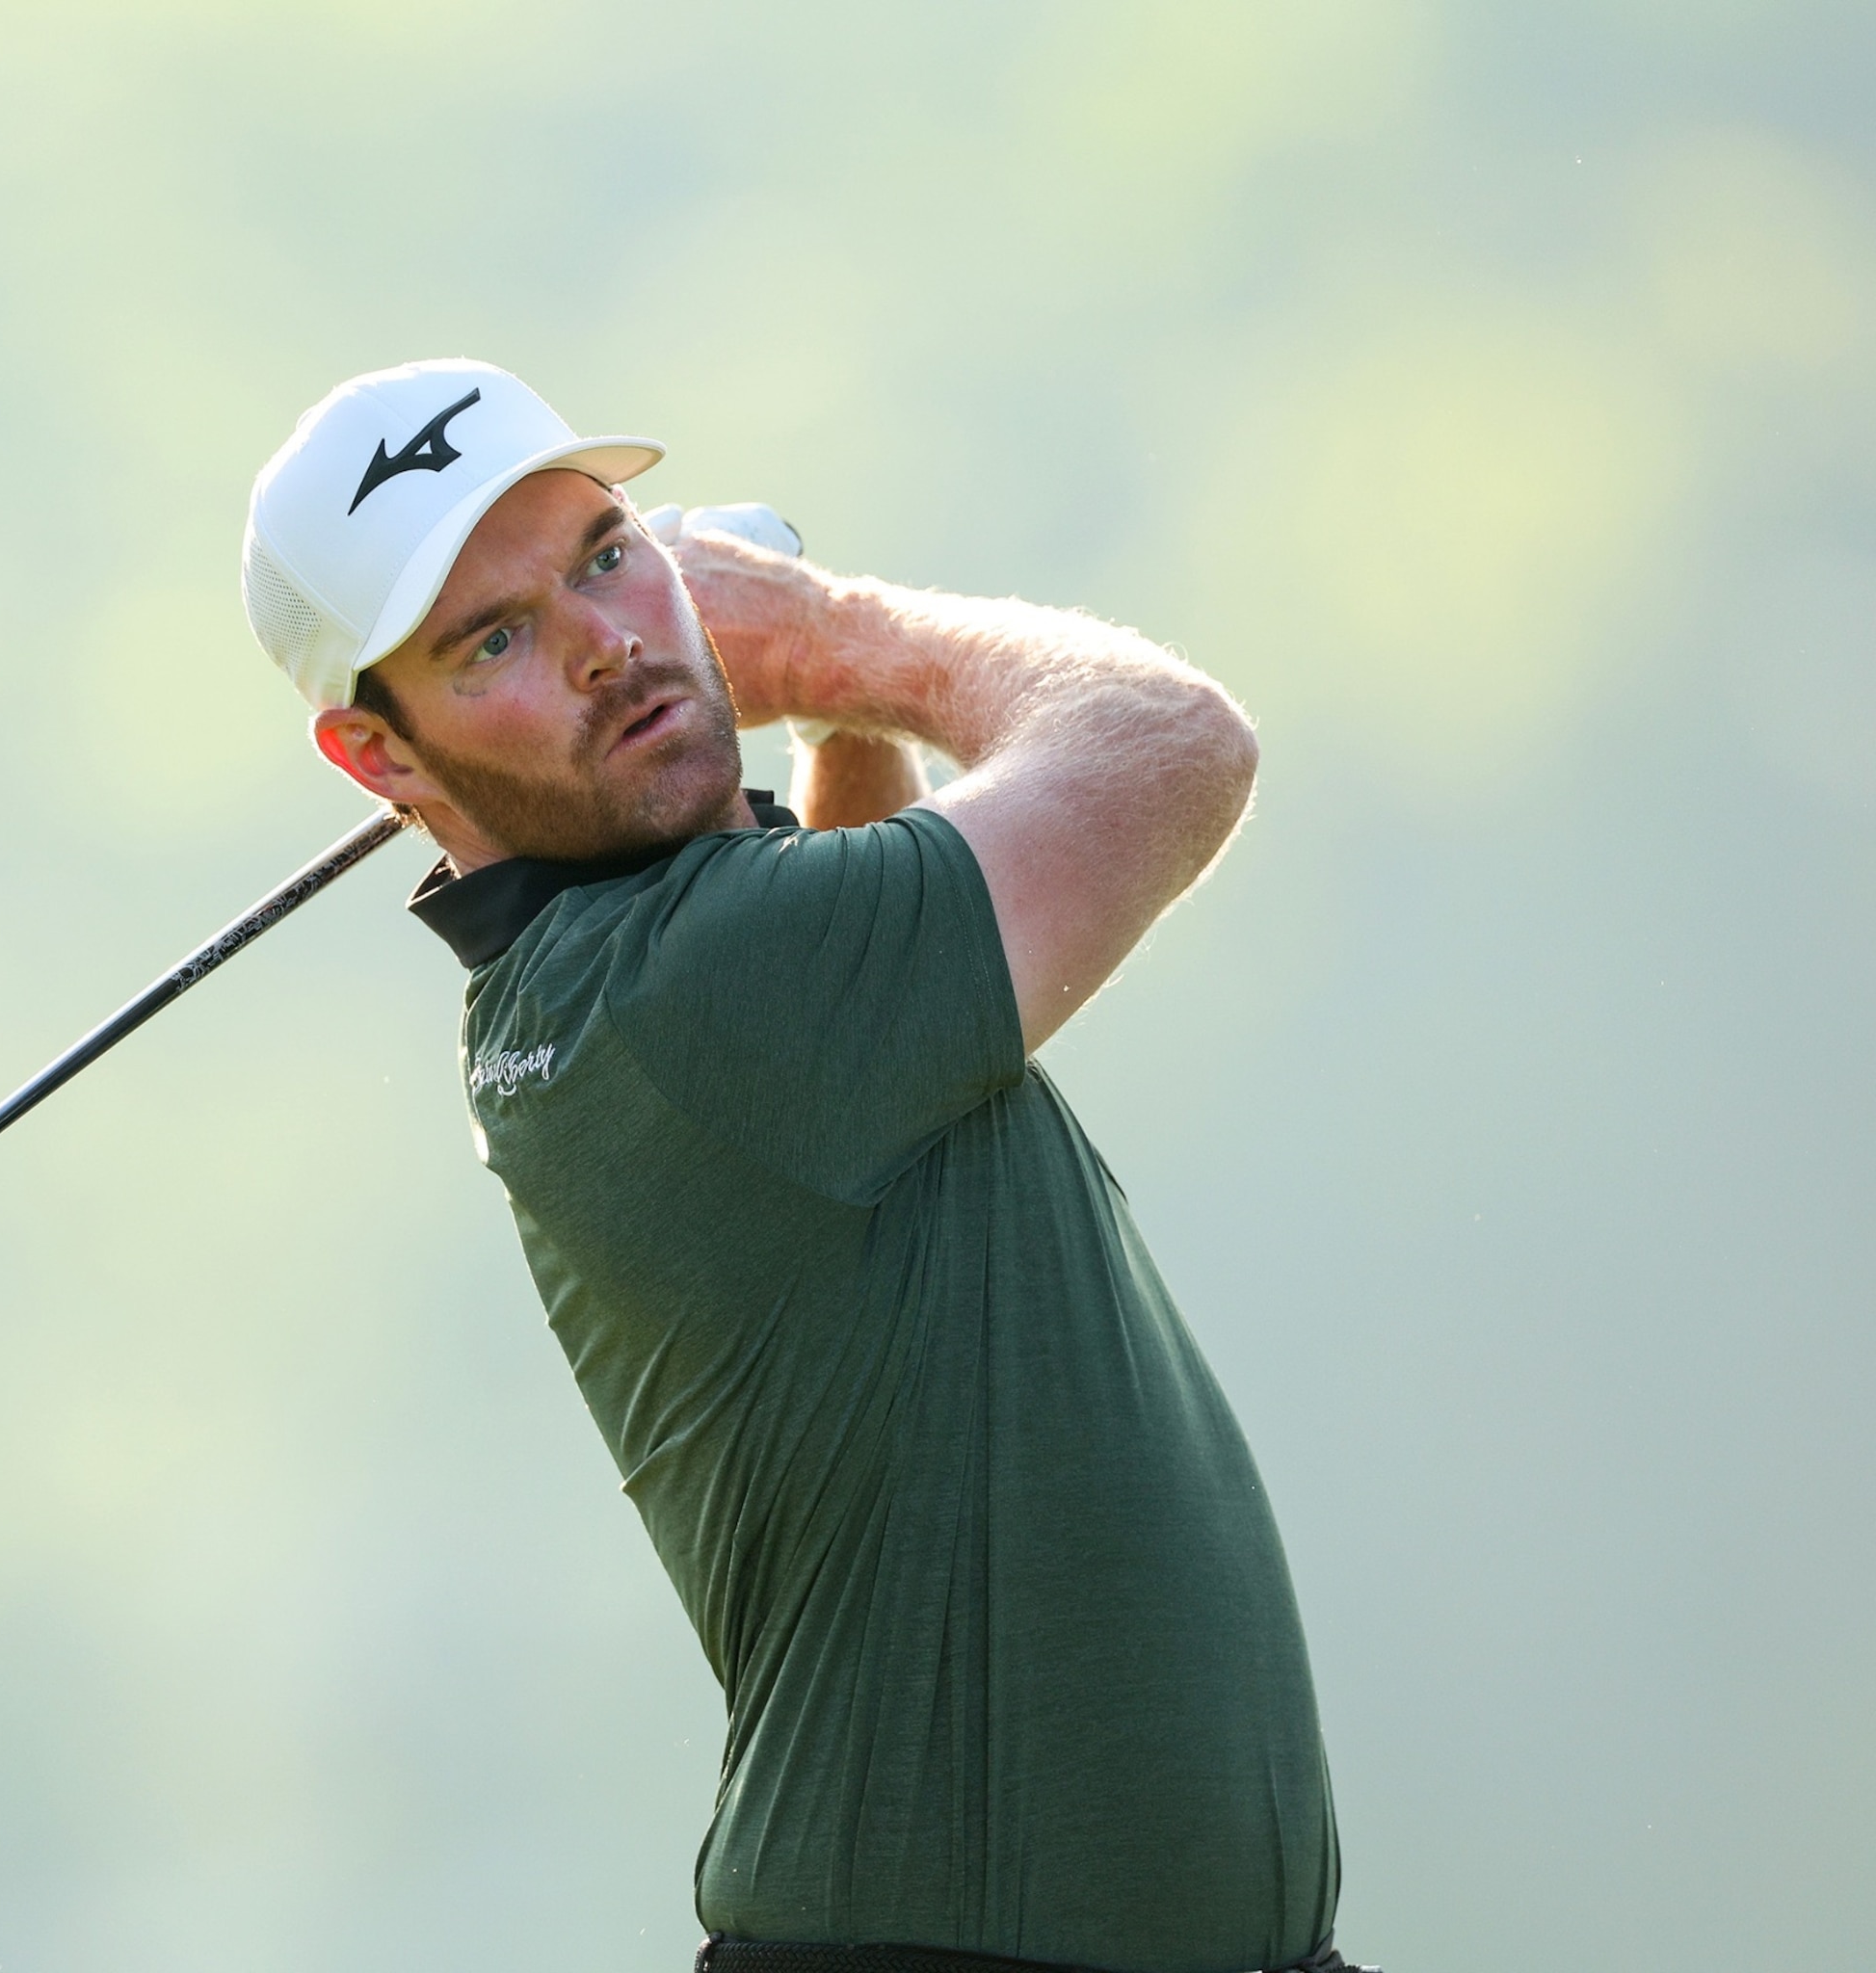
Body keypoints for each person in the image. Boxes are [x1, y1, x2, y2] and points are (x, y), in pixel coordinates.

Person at [241, 359, 1367, 1973]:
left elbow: (877, 988)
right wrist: (834, 637)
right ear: (383, 758)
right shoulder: (685, 991)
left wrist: (835, 719)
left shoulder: (642, 984)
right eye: (494, 640)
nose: (607, 642)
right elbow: (1175, 750)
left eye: (605, 554)